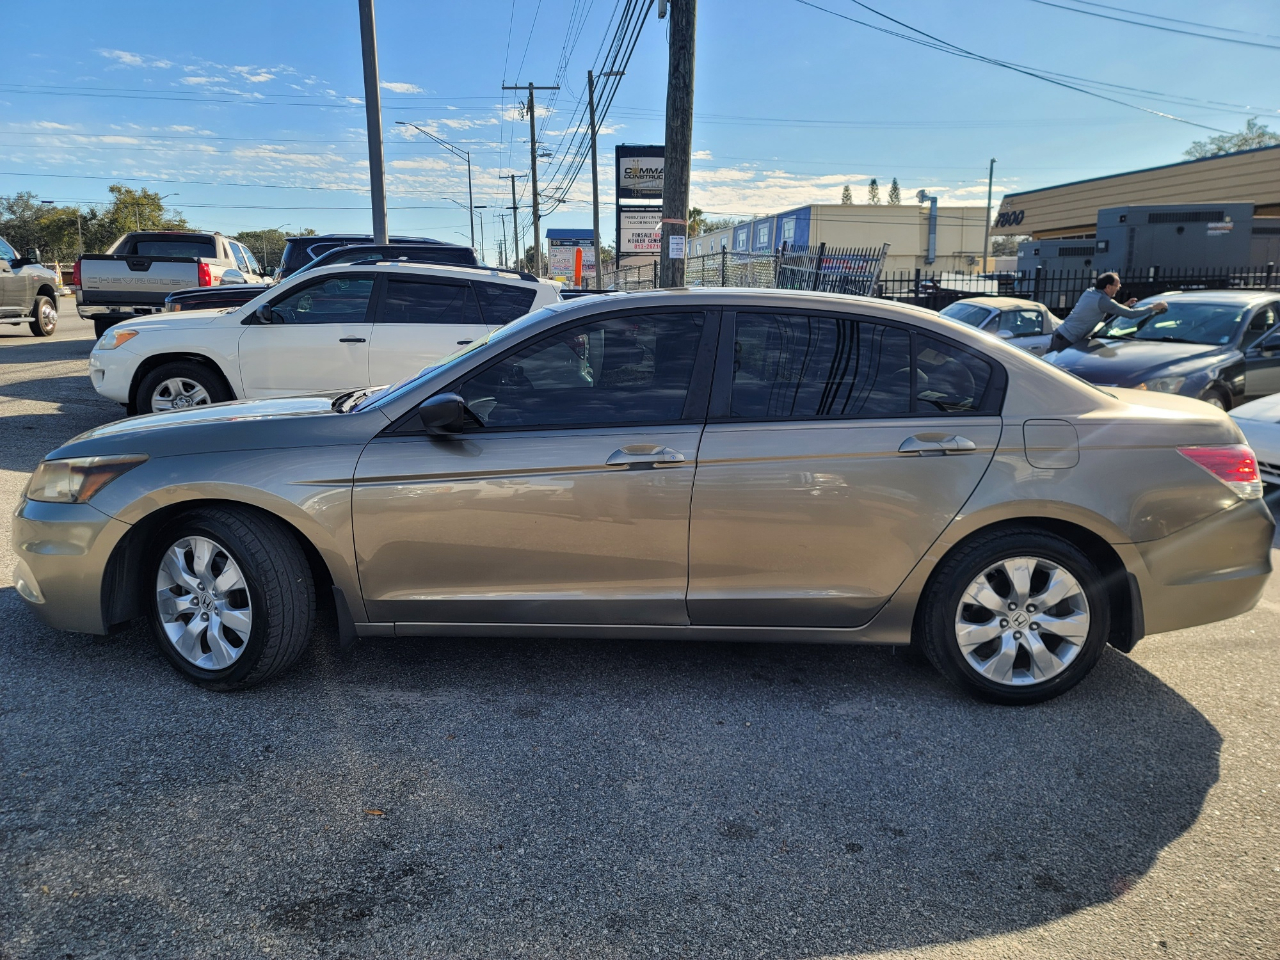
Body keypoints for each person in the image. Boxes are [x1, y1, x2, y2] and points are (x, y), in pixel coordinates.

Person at [1048, 273, 1167, 353]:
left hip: (1060, 334)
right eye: (1117, 285)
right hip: (1067, 339)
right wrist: (1153, 307)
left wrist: (1124, 306)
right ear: (1108, 287)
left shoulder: (1090, 292)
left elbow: (1105, 308)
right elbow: (1131, 314)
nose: (1119, 287)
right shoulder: (1103, 300)